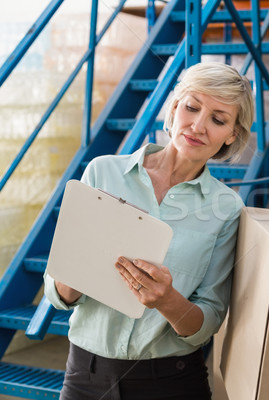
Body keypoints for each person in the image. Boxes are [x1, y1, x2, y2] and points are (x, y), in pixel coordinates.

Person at [44, 61, 255, 400]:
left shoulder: (226, 209)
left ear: (231, 135)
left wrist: (168, 301)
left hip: (171, 382)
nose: (198, 126)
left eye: (218, 119)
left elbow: (209, 320)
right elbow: (56, 291)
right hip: (86, 376)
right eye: (192, 107)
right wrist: (76, 272)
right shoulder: (103, 173)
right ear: (174, 107)